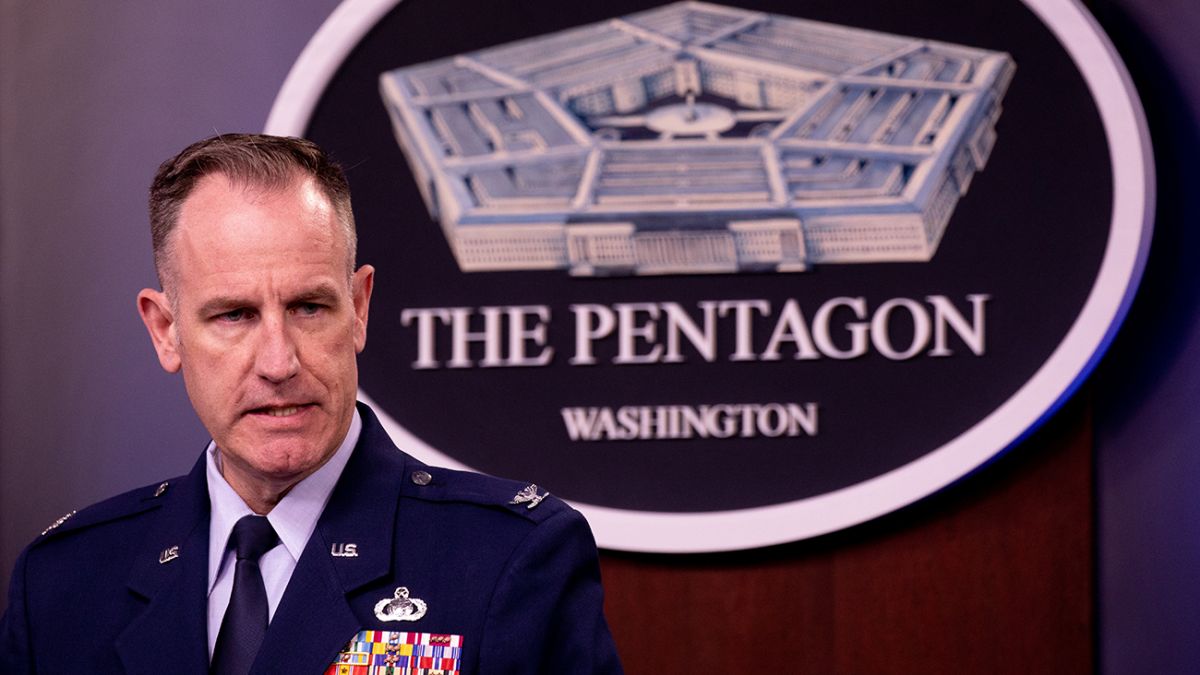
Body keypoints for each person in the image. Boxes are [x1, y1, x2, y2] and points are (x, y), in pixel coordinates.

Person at [0, 134, 624, 674]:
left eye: (309, 307)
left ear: (360, 308)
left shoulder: (507, 559)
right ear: (166, 331)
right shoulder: (64, 582)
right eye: (234, 315)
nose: (279, 362)